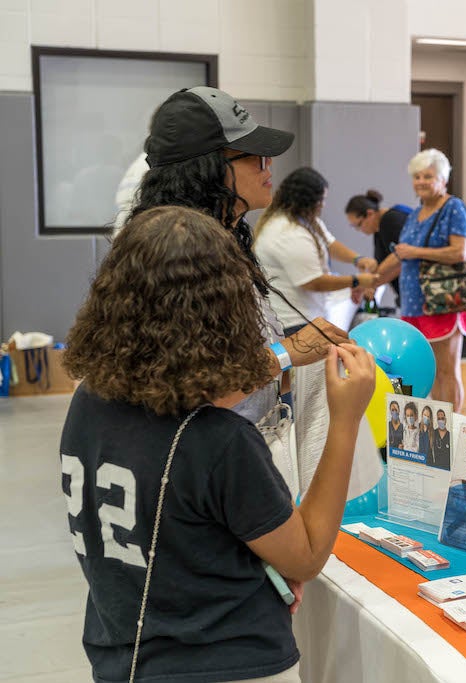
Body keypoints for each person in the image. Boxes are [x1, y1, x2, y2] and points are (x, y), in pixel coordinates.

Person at [60, 205, 376, 682]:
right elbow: (307, 554)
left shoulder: (88, 403)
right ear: (224, 310)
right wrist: (346, 420)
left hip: (124, 658)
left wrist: (284, 356)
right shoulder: (220, 442)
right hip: (232, 663)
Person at [130, 86, 350, 431]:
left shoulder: (224, 240)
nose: (268, 166)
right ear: (208, 168)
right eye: (253, 156)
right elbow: (198, 388)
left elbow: (244, 369)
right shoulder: (178, 253)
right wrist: (289, 351)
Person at [376, 149, 466, 411]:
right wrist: (368, 282)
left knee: (446, 371)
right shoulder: (415, 213)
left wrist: (416, 252)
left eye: (428, 176)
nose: (420, 181)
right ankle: (436, 431)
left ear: (443, 180)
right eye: (417, 176)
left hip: (443, 303)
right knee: (428, 371)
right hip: (414, 305)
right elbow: (401, 255)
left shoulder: (453, 208)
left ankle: (451, 429)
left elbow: (459, 252)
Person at [254, 167, 379, 336]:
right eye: (323, 199)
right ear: (310, 201)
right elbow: (313, 282)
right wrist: (356, 281)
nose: (323, 205)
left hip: (308, 318)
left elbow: (329, 243)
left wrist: (357, 260)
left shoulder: (306, 222)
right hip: (293, 324)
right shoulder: (287, 231)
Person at [345, 189, 414, 299]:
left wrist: (369, 283)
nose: (359, 230)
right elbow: (382, 265)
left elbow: (400, 259)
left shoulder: (391, 220)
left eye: (358, 225)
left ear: (370, 214)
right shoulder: (378, 230)